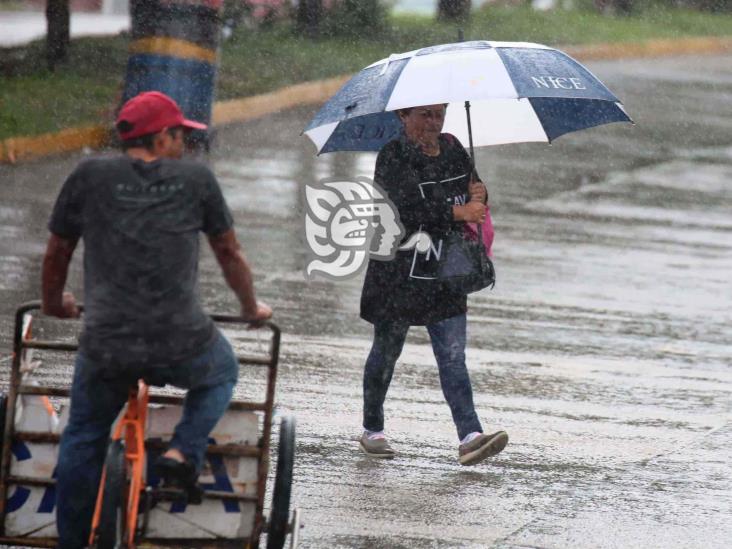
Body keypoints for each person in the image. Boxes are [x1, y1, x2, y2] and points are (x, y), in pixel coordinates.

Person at [42, 91, 272, 548]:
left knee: (84, 436)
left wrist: (53, 305)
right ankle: (183, 450)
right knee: (222, 371)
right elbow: (228, 252)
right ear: (162, 136)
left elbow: (57, 252)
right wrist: (251, 307)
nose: (185, 145)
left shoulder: (88, 175)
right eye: (180, 135)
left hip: (107, 339)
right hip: (180, 338)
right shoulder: (196, 180)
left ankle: (71, 542)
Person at [359, 103, 508, 466]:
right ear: (402, 116)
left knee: (453, 357)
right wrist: (459, 212)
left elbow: (474, 195)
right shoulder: (393, 156)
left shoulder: (455, 147)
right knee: (386, 352)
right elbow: (404, 210)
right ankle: (371, 429)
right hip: (398, 275)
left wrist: (478, 195)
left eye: (439, 114)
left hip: (446, 276)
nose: (433, 122)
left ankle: (470, 435)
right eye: (425, 114)